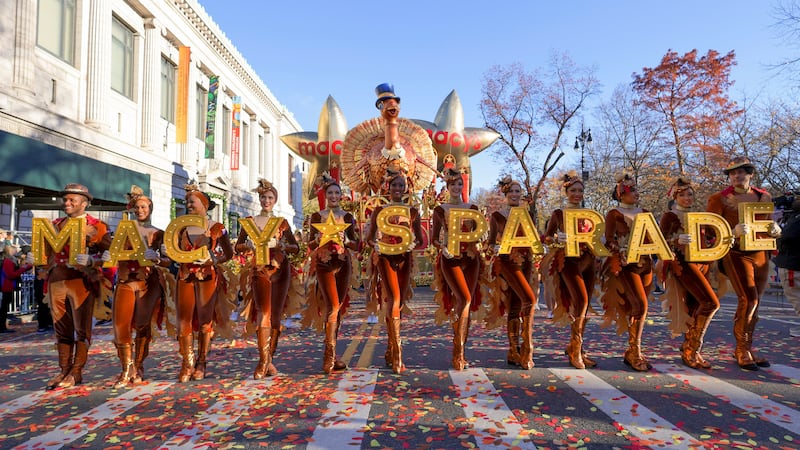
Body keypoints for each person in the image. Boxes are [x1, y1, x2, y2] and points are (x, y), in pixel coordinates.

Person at [30, 183, 112, 389]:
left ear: (84, 204)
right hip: (57, 281)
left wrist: (93, 261)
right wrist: (36, 259)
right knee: (61, 329)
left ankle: (76, 371)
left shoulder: (97, 227)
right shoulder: (55, 224)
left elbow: (112, 254)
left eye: (71, 200)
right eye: (65, 199)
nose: (66, 203)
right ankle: (64, 369)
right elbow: (46, 253)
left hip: (81, 283)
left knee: (81, 329)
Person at [707, 157, 782, 371]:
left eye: (741, 172)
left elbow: (767, 223)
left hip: (760, 253)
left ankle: (747, 346)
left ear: (750, 174)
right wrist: (731, 232)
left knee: (756, 301)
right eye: (732, 173)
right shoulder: (718, 199)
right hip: (735, 253)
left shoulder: (763, 196)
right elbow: (710, 229)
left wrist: (774, 229)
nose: (737, 176)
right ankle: (741, 349)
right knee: (748, 298)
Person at [103, 186, 171, 388]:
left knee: (142, 324)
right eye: (137, 207)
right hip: (125, 281)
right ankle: (126, 368)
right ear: (132, 209)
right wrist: (103, 259)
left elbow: (169, 261)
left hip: (147, 283)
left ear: (150, 208)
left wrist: (158, 258)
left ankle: (138, 365)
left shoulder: (159, 234)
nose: (140, 210)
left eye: (144, 206)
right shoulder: (121, 233)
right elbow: (108, 257)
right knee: (120, 326)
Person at [235, 179, 300, 379]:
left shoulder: (282, 223)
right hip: (259, 269)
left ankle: (269, 357)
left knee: (276, 317)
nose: (266, 200)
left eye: (270, 197)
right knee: (263, 313)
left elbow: (295, 248)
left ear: (275, 200)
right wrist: (248, 246)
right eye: (263, 197)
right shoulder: (250, 222)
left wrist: (282, 246)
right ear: (259, 198)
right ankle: (263, 362)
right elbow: (237, 246)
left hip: (280, 269)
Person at [364, 168, 423, 374]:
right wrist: (376, 245)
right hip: (385, 258)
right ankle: (398, 354)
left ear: (406, 188)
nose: (398, 189)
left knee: (399, 301)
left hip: (404, 258)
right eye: (394, 185)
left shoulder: (413, 211)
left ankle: (390, 347)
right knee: (395, 298)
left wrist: (412, 243)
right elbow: (369, 238)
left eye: (401, 185)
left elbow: (421, 240)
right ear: (387, 187)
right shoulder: (380, 210)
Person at [173, 184, 234, 382]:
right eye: (187, 201)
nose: (189, 204)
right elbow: (171, 250)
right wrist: (167, 253)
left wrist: (212, 260)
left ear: (204, 205)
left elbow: (229, 254)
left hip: (207, 277)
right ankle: (187, 363)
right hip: (185, 276)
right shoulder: (179, 227)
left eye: (193, 201)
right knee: (184, 320)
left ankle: (202, 362)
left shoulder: (217, 227)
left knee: (205, 321)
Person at [659, 177, 720, 369]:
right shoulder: (670, 216)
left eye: (690, 194)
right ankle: (692, 348)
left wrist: (729, 237)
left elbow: (713, 237)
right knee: (711, 303)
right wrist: (676, 241)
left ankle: (689, 350)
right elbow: (660, 242)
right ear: (675, 196)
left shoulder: (700, 216)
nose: (687, 198)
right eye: (683, 195)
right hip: (682, 263)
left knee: (695, 307)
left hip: (702, 263)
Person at [599, 173, 654, 372]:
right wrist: (619, 250)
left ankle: (631, 350)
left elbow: (653, 236)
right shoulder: (614, 213)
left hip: (645, 263)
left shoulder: (645, 212)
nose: (636, 193)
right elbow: (608, 238)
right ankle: (635, 351)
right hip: (625, 264)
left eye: (637, 189)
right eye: (632, 191)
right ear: (621, 194)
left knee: (637, 309)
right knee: (641, 305)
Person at [306, 175, 360, 374]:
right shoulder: (316, 217)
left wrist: (346, 241)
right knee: (333, 306)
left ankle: (333, 354)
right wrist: (319, 239)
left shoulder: (347, 217)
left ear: (341, 195)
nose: (334, 196)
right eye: (330, 193)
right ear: (325, 195)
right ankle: (328, 357)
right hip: (324, 264)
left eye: (337, 193)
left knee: (337, 310)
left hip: (343, 264)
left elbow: (356, 243)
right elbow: (309, 243)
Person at [543, 172, 598, 369]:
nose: (577, 194)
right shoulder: (559, 214)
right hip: (568, 260)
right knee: (581, 301)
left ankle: (578, 347)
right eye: (573, 190)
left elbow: (597, 237)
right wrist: (558, 238)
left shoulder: (589, 215)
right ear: (566, 192)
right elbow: (546, 237)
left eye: (580, 191)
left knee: (585, 304)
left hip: (589, 261)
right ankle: (575, 349)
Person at [431, 167, 483, 370]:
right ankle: (458, 352)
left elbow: (479, 234)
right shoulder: (440, 210)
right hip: (450, 258)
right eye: (453, 184)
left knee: (466, 303)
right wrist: (442, 248)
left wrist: (482, 240)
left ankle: (461, 350)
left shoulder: (473, 208)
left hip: (471, 259)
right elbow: (434, 238)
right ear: (447, 186)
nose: (456, 187)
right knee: (465, 299)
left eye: (459, 184)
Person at [486, 177, 538, 370]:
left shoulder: (526, 214)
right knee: (529, 300)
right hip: (507, 262)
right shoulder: (498, 216)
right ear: (505, 194)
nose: (515, 195)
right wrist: (496, 248)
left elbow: (535, 238)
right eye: (512, 192)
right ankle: (527, 347)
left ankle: (513, 350)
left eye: (518, 191)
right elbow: (490, 244)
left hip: (526, 261)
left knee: (516, 305)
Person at [1, 244, 32, 333]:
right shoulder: (8, 261)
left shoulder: (10, 261)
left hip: (8, 285)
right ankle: (2, 327)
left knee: (5, 306)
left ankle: (3, 326)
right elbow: (11, 274)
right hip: (6, 285)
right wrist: (23, 269)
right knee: (4, 307)